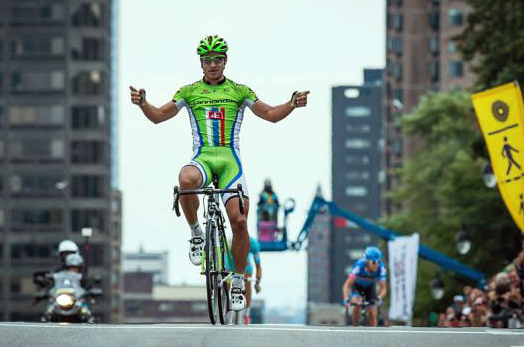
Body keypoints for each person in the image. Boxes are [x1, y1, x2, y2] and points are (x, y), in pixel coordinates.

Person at [129, 35, 309, 311]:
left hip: (230, 162)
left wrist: (291, 104)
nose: (212, 64)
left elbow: (271, 114)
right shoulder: (188, 91)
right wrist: (143, 103)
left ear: (225, 61)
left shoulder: (240, 90)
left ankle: (237, 280)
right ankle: (196, 232)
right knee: (185, 180)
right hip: (203, 157)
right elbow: (158, 116)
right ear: (201, 63)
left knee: (239, 221)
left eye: (217, 59)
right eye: (207, 60)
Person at [342, 246, 388, 327]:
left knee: (373, 311)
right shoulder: (359, 266)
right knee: (356, 302)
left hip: (370, 287)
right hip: (357, 286)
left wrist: (379, 298)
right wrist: (346, 299)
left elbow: (383, 288)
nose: (376, 264)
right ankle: (355, 324)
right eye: (373, 262)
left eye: (378, 261)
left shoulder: (381, 268)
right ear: (367, 261)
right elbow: (347, 285)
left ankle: (374, 332)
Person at [226, 236, 262, 324]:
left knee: (247, 282)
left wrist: (258, 278)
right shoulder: (229, 241)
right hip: (230, 263)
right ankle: (226, 310)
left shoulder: (253, 244)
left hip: (245, 265)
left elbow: (258, 265)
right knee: (227, 283)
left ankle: (246, 313)